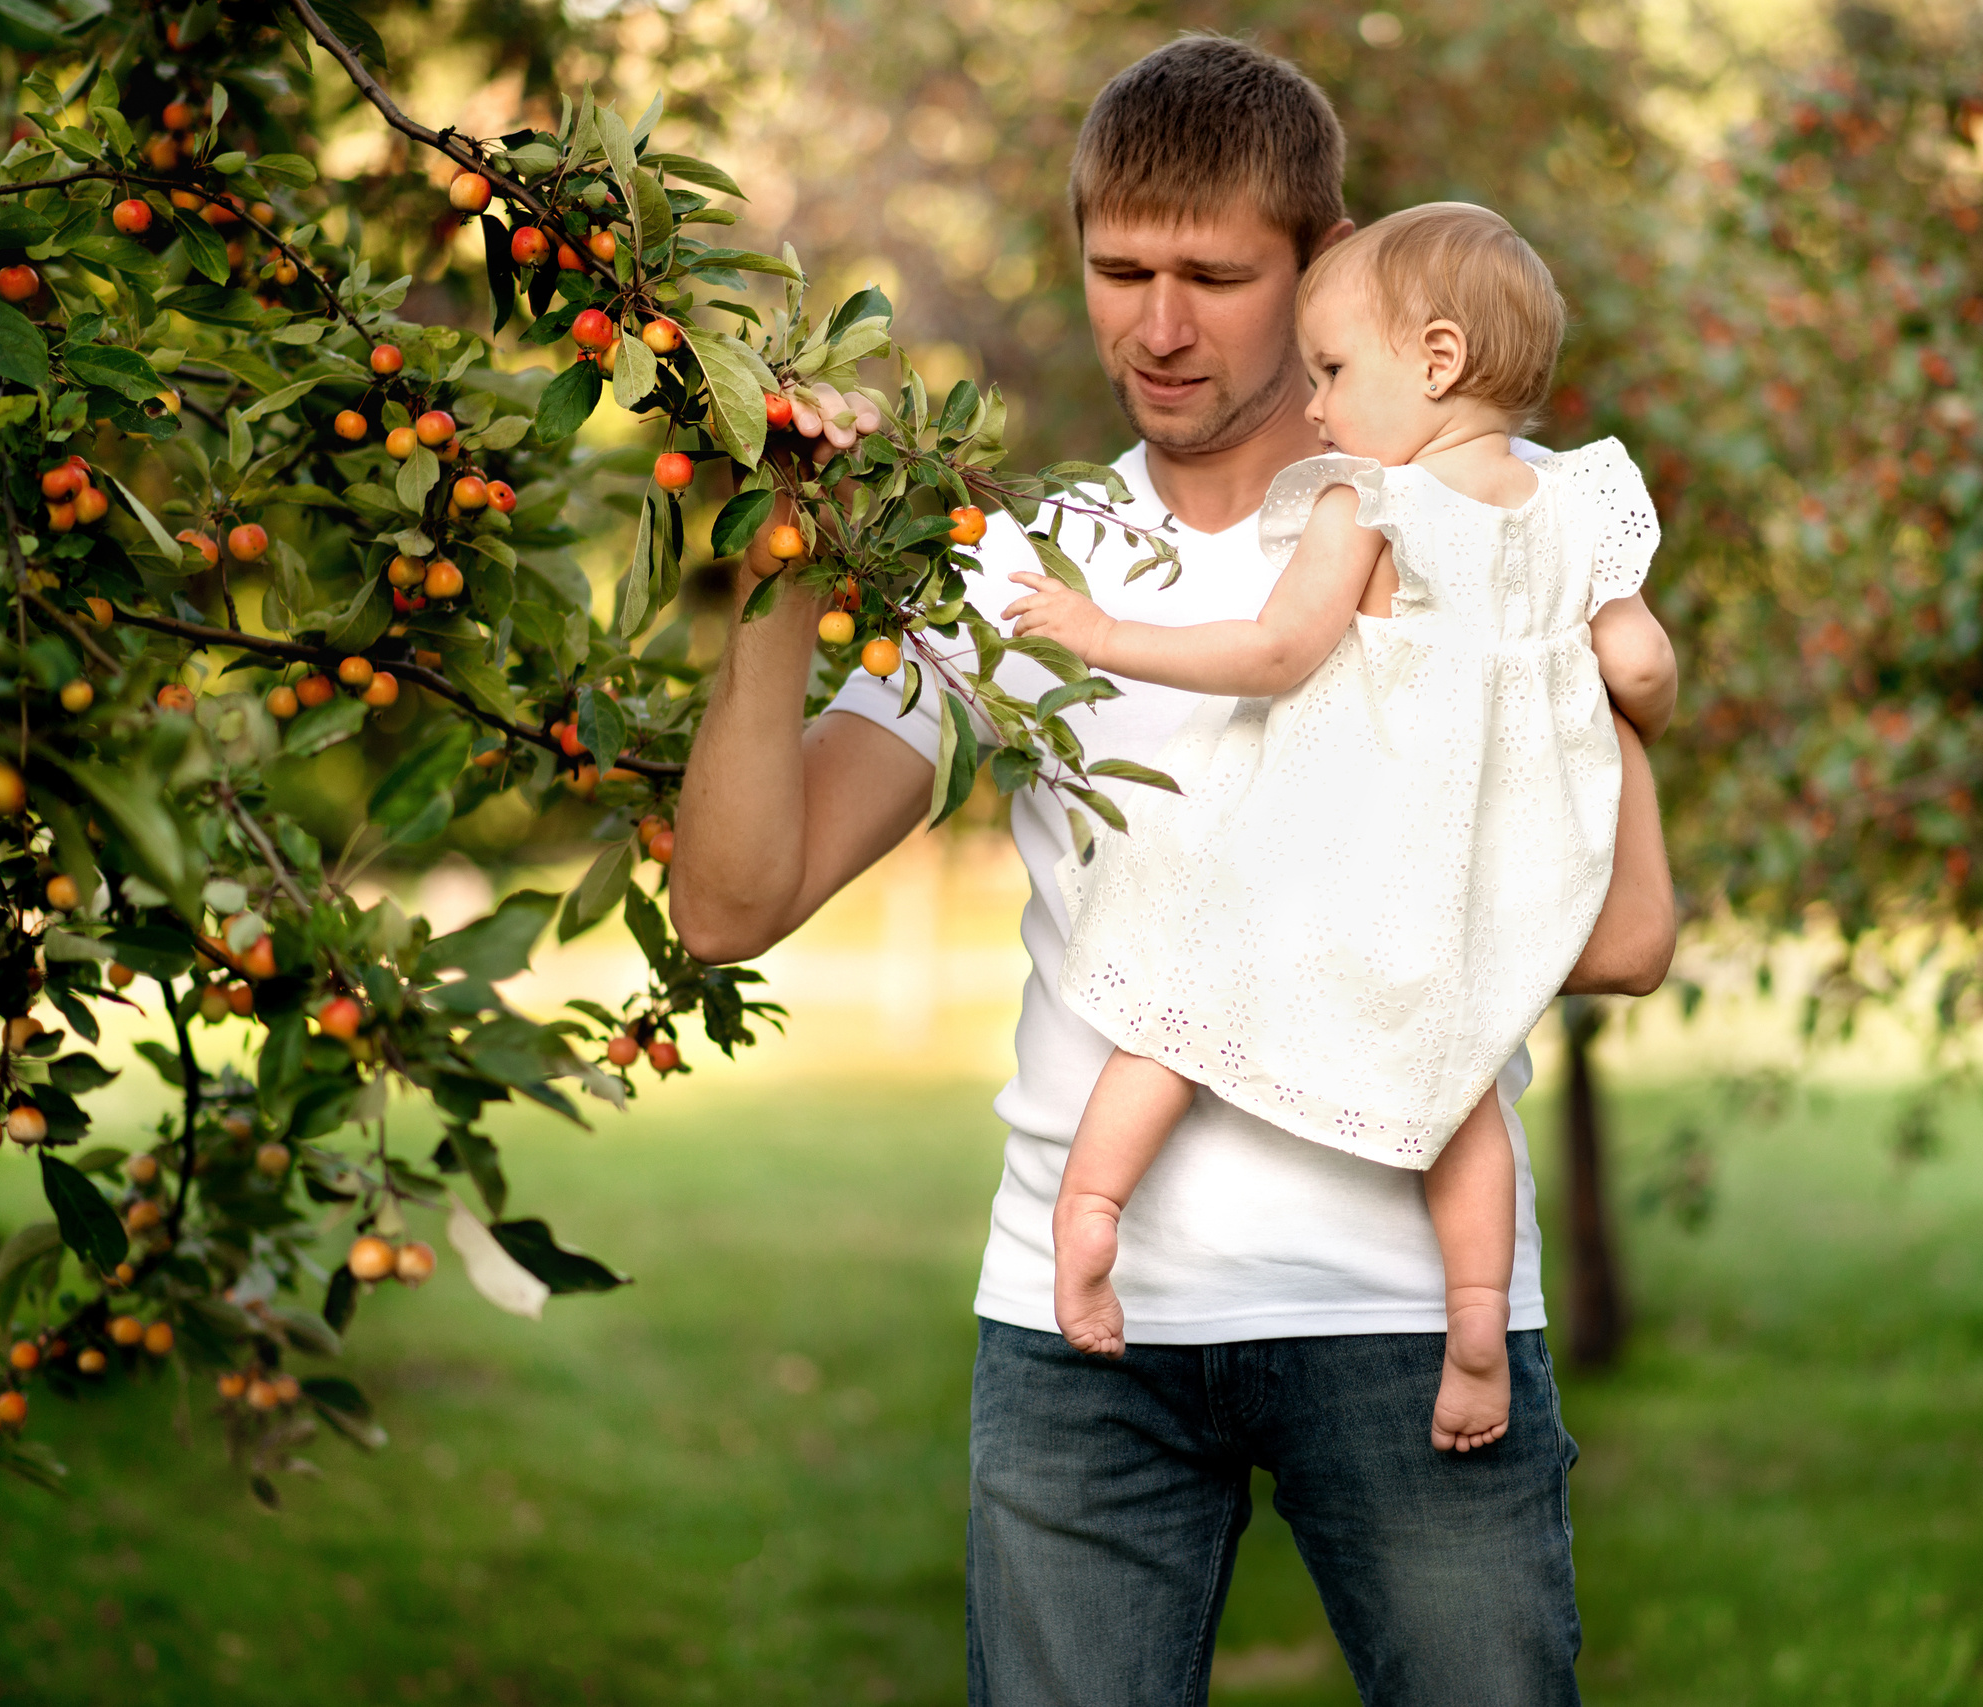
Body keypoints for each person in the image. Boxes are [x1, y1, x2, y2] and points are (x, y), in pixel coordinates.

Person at [671, 35, 1678, 1706]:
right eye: (1118, 271)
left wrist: (1603, 692)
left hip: (1414, 1315)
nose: (1157, 324)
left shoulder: (1477, 536)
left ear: (1320, 268)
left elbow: (1626, 932)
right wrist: (787, 550)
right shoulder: (1029, 569)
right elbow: (728, 908)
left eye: (1214, 276)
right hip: (1083, 1341)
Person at [1004, 202, 1670, 1462]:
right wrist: (1609, 695)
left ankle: (1090, 1210)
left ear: (1433, 361)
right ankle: (1475, 1327)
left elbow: (1273, 650)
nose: (1312, 407)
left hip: (1332, 849)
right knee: (1460, 1077)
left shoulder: (1372, 501)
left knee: (1175, 1000)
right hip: (1480, 879)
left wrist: (1097, 634)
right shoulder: (1581, 504)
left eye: (1331, 371)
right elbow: (1639, 664)